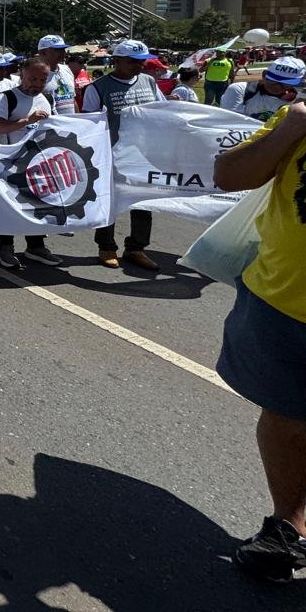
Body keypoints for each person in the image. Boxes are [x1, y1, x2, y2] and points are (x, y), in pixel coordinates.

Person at [212, 94, 306, 583]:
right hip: (283, 303)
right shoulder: (296, 118)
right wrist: (289, 129)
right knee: (287, 417)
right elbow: (229, 175)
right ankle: (288, 525)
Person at [81, 39, 165, 269]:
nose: (138, 66)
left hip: (143, 154)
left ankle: (136, 248)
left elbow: (162, 110)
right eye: (132, 62)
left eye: (141, 62)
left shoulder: (148, 81)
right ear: (116, 61)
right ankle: (106, 247)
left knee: (142, 203)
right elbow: (89, 124)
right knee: (110, 203)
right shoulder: (97, 88)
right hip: (112, 155)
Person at [0, 58, 63, 269]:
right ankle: (5, 248)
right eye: (32, 78)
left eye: (42, 79)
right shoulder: (7, 98)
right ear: (22, 74)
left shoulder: (46, 97)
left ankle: (36, 246)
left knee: (37, 205)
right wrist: (26, 121)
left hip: (37, 163)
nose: (37, 83)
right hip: (8, 162)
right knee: (7, 206)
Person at [221, 57, 305, 122]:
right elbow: (231, 123)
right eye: (273, 80)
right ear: (264, 75)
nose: (278, 86)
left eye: (286, 83)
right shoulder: (241, 90)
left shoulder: (298, 102)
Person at [36, 35, 78, 115]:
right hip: (49, 125)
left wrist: (79, 119)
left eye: (63, 49)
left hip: (71, 124)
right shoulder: (34, 75)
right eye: (58, 50)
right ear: (43, 53)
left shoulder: (66, 69)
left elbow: (73, 100)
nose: (64, 52)